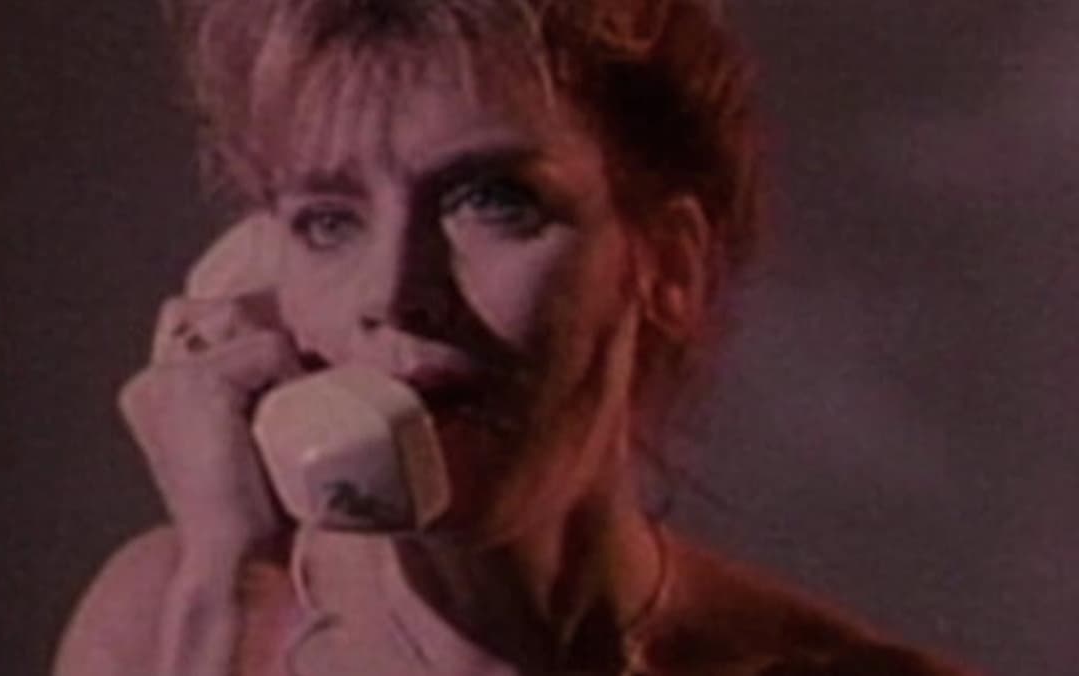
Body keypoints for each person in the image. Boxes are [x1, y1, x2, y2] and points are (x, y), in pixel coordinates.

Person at [54, 1, 972, 674]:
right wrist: (224, 586)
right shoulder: (167, 622)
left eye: (493, 200)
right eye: (329, 221)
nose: (394, 294)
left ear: (669, 265)